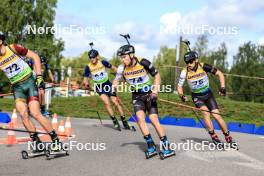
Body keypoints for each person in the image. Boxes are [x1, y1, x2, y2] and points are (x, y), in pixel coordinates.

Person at [113, 43, 175, 159]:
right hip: (137, 96)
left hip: (149, 94)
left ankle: (166, 147)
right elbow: (116, 80)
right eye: (121, 57)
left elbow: (157, 76)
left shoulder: (143, 62)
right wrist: (113, 89)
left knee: (153, 119)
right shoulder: (122, 68)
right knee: (140, 120)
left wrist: (155, 92)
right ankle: (150, 145)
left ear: (131, 55)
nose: (122, 59)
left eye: (124, 57)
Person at [0, 33, 60, 150]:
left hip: (29, 82)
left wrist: (39, 77)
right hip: (17, 87)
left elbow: (35, 57)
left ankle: (55, 140)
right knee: (23, 114)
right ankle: (37, 142)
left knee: (35, 113)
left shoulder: (13, 48)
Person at [177, 51, 237, 148]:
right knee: (205, 113)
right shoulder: (184, 72)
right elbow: (179, 87)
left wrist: (222, 87)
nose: (189, 64)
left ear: (196, 60)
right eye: (187, 62)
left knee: (217, 116)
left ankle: (227, 136)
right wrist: (181, 95)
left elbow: (220, 74)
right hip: (197, 97)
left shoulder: (203, 66)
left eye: (191, 62)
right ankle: (214, 136)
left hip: (208, 94)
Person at [83, 47, 131, 131]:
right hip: (99, 87)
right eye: (90, 58)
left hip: (107, 84)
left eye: (93, 57)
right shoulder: (88, 66)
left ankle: (124, 121)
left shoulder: (103, 62)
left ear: (97, 57)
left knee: (115, 102)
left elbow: (114, 68)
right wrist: (86, 83)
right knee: (106, 103)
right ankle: (115, 121)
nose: (92, 59)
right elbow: (85, 77)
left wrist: (123, 75)